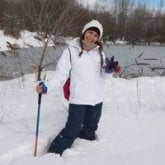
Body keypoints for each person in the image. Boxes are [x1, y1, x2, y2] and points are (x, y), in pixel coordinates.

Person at [36, 20, 120, 155]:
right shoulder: (71, 51)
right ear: (84, 32)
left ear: (98, 39)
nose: (91, 37)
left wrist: (109, 70)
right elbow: (61, 75)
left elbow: (103, 76)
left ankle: (85, 154)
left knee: (90, 128)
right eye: (90, 32)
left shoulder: (100, 53)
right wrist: (47, 87)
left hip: (96, 99)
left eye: (95, 35)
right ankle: (53, 154)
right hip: (79, 99)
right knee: (72, 130)